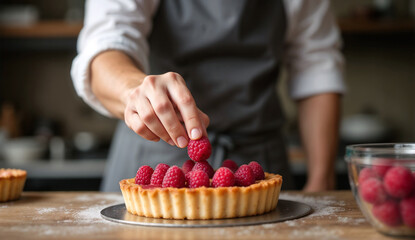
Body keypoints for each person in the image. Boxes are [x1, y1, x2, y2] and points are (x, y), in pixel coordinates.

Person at [71, 0, 345, 192]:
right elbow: (104, 47)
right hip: (159, 163)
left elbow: (316, 67)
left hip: (256, 165)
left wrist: (322, 178)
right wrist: (135, 91)